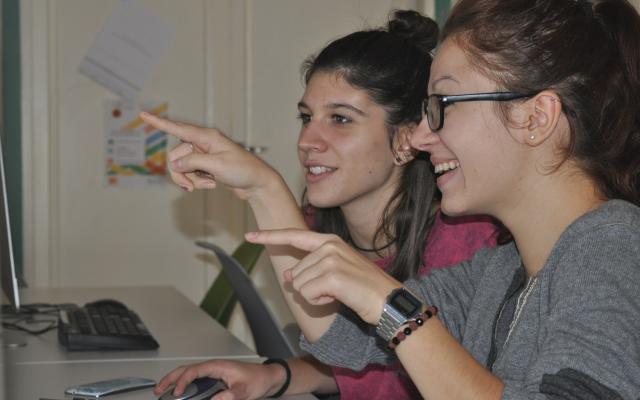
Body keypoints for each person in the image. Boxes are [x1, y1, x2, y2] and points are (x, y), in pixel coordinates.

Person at [244, 0, 640, 398]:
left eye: (442, 106)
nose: (418, 137)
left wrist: (390, 304)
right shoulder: (501, 269)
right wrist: (260, 187)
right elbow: (346, 339)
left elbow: (398, 318)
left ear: (535, 118)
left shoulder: (612, 247)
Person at [141, 10, 499, 399]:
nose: (308, 140)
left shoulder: (467, 240)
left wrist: (265, 188)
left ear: (407, 138)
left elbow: (413, 380)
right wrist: (278, 375)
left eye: (341, 120)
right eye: (306, 117)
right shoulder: (316, 221)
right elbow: (361, 357)